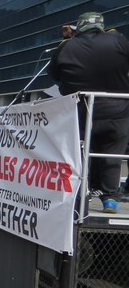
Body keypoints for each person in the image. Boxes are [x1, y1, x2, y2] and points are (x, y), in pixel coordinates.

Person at [48, 11, 129, 213]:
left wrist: (69, 40)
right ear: (101, 26)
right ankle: (110, 199)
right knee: (112, 154)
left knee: (79, 153)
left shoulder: (67, 46)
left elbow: (54, 74)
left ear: (79, 27)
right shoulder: (118, 40)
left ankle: (80, 196)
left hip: (80, 110)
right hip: (116, 110)